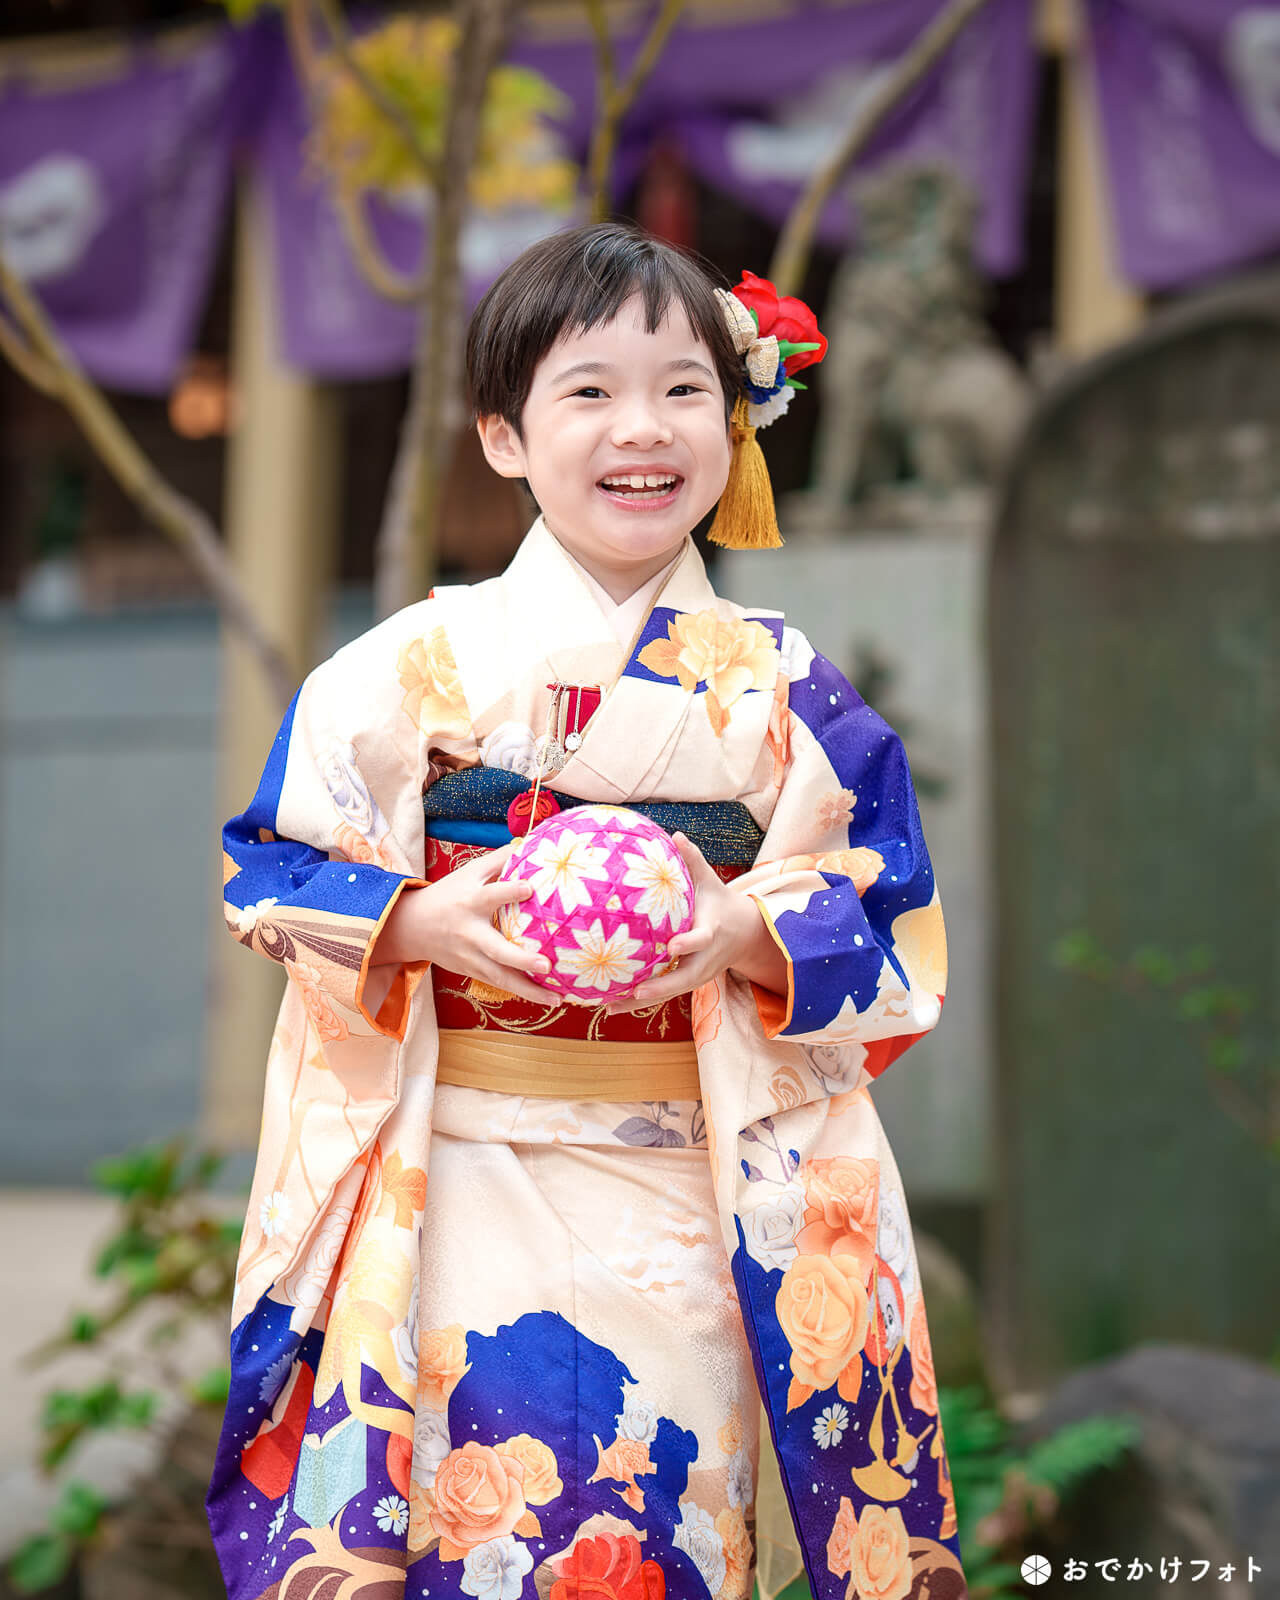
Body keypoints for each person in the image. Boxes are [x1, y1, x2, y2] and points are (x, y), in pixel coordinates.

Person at [206, 220, 966, 1600]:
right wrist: (412, 924)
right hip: (461, 1179)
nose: (646, 428)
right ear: (503, 435)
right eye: (591, 390)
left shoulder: (785, 686)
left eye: (685, 390)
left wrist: (752, 930)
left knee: (670, 1520)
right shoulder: (399, 672)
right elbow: (265, 866)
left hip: (692, 1185)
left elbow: (894, 914)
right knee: (474, 1523)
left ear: (738, 427)